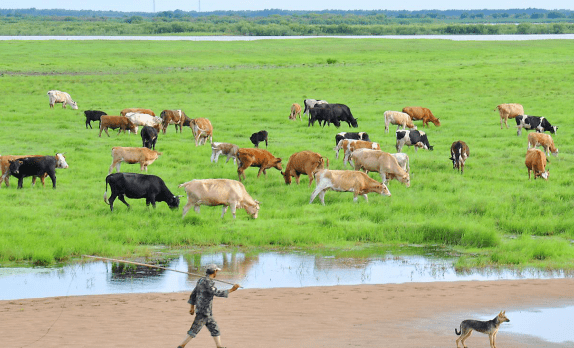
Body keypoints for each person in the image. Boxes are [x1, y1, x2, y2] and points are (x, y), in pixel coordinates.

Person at [177, 264, 240, 348]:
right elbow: (217, 293)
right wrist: (232, 289)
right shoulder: (208, 282)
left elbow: (193, 294)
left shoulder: (201, 280)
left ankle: (219, 346)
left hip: (204, 311)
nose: (216, 273)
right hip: (204, 311)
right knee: (194, 330)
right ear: (214, 272)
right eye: (216, 271)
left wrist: (192, 307)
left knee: (214, 328)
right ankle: (181, 346)